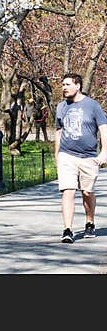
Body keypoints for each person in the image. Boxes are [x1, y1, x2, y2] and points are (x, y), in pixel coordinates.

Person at [53, 72, 107, 243]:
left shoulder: (93, 106)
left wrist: (104, 151)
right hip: (67, 155)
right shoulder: (61, 107)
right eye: (63, 85)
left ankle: (89, 222)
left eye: (67, 84)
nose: (64, 88)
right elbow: (58, 132)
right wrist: (57, 156)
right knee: (68, 191)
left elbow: (103, 129)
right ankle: (67, 229)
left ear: (78, 86)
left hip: (89, 156)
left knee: (87, 192)